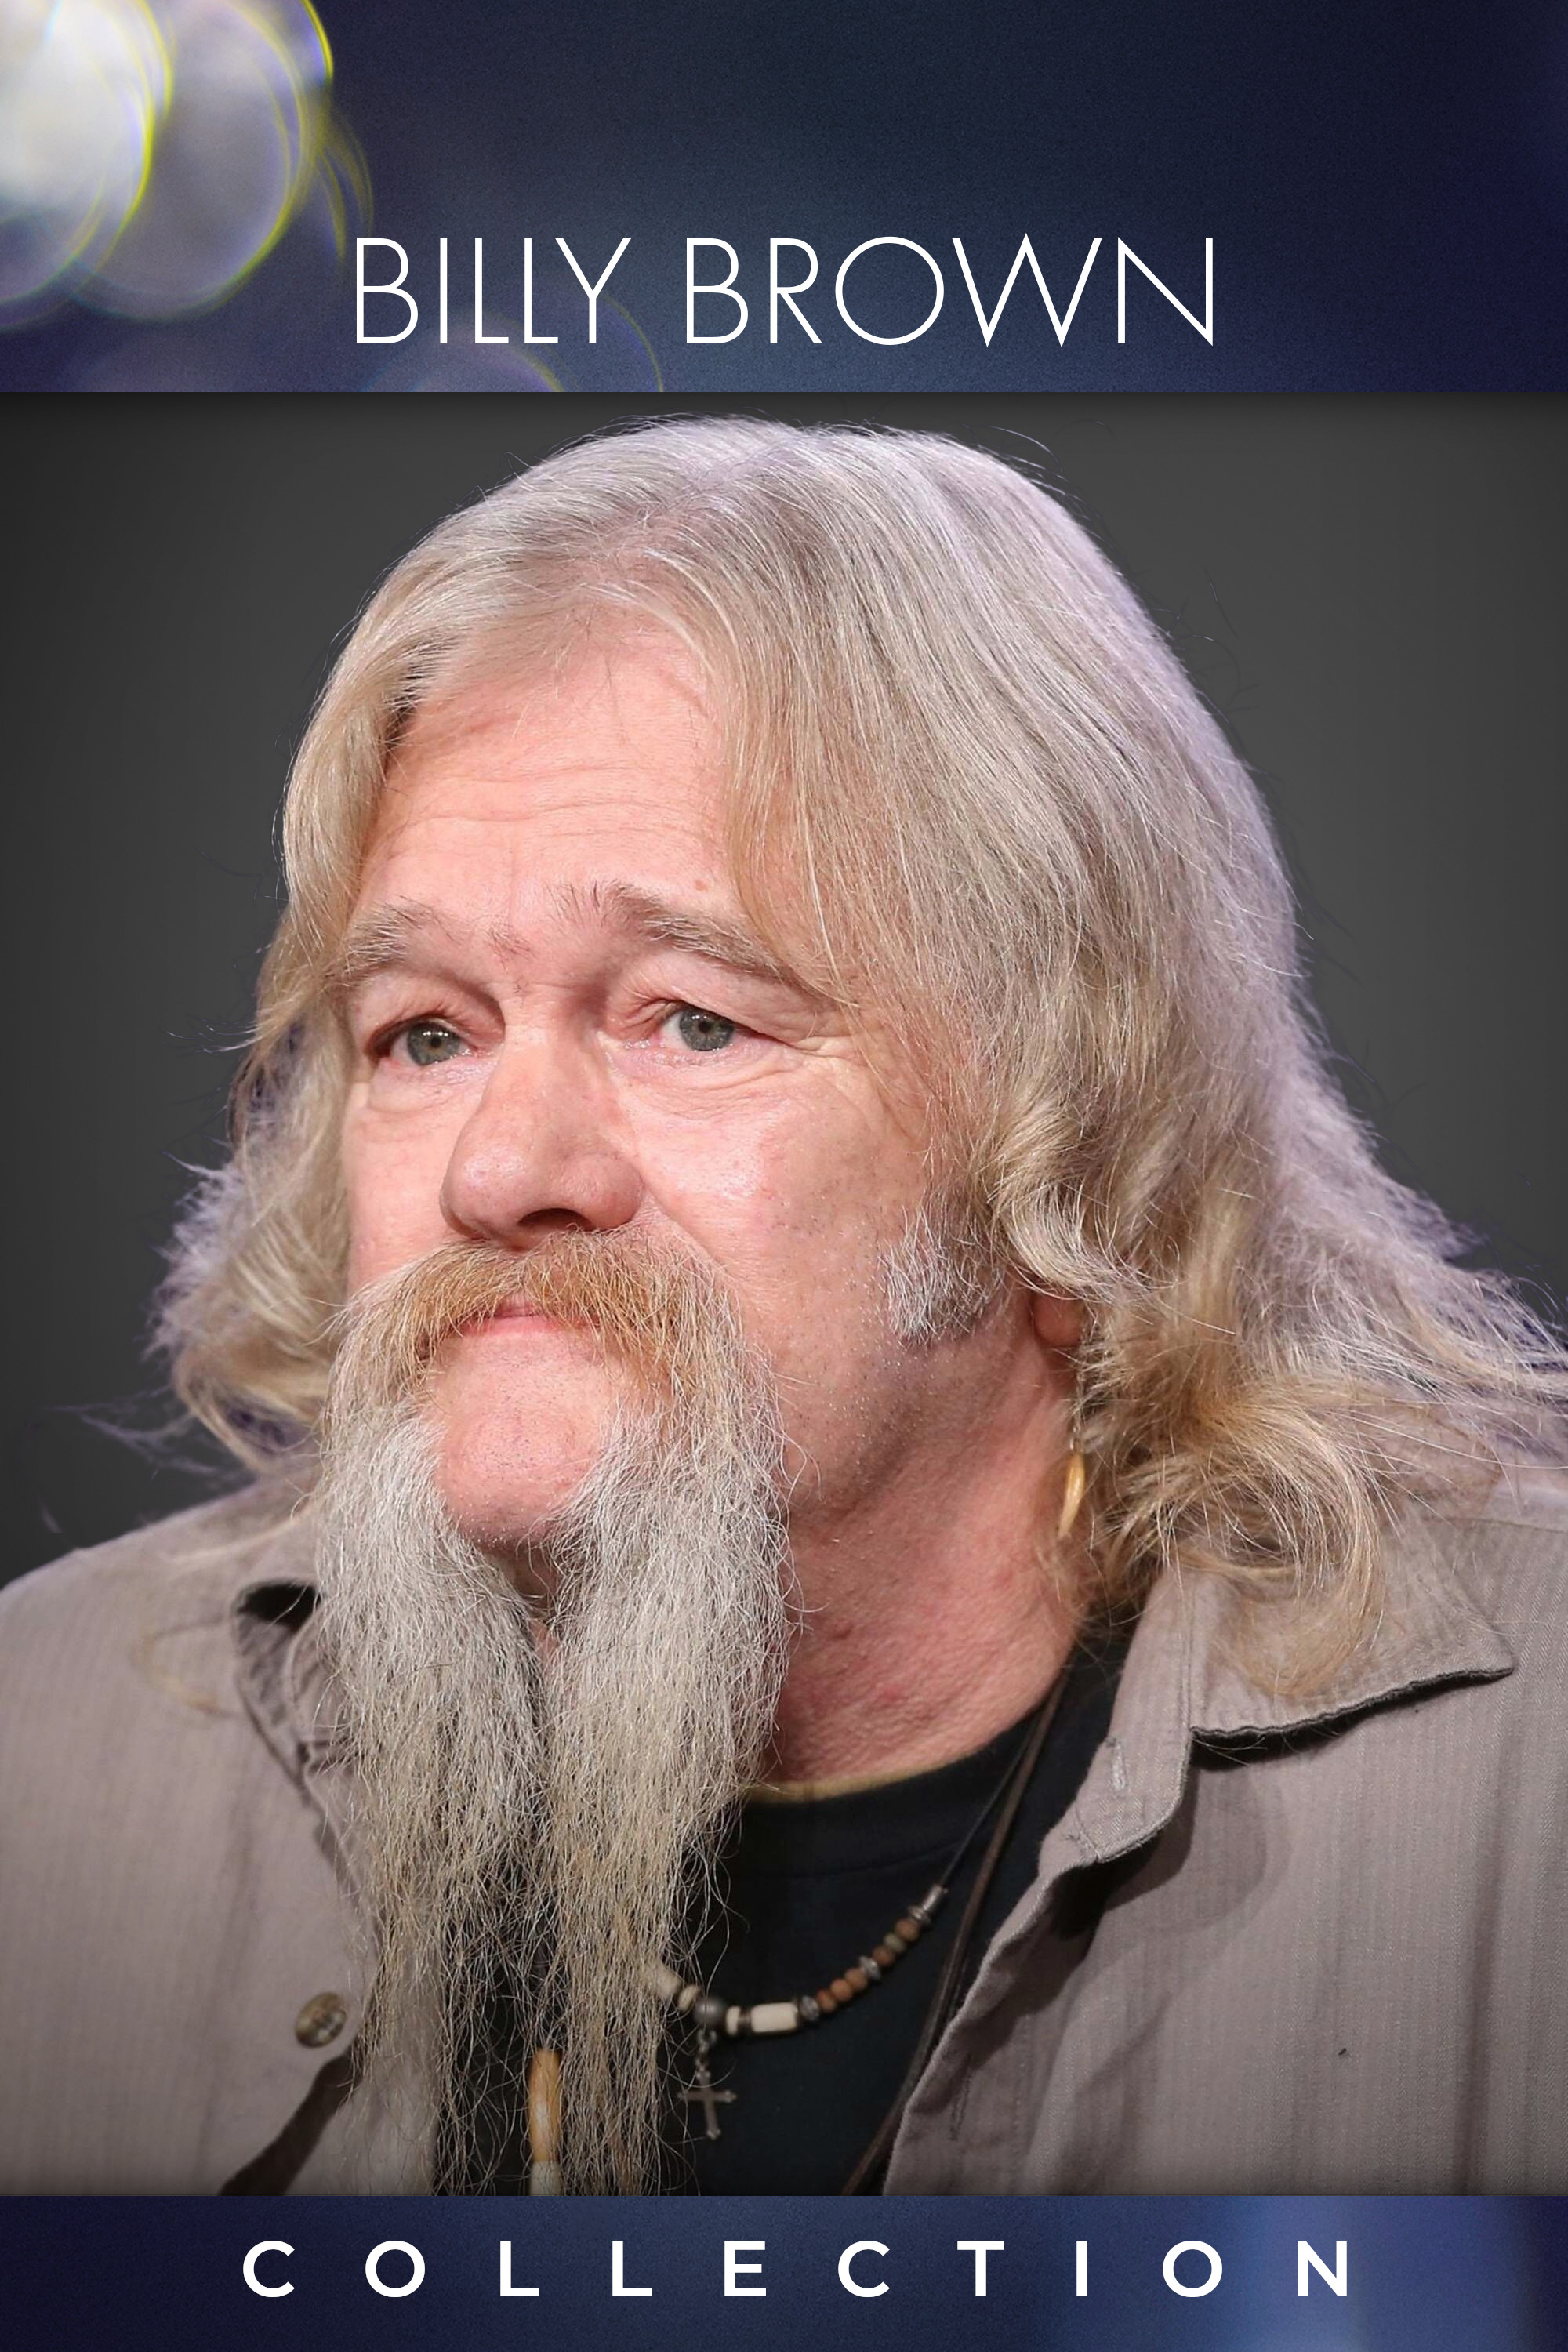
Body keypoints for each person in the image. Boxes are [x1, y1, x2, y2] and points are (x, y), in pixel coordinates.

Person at [3, 417, 1566, 2198]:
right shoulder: (45, 1758)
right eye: (426, 1033)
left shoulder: (1529, 1786)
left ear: (1071, 1104)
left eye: (692, 1020)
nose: (500, 1171)